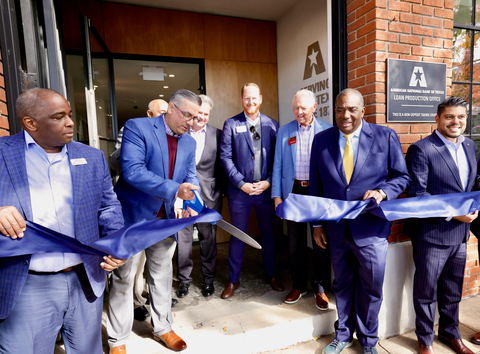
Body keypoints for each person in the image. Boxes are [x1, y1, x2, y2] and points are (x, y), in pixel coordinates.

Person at [0, 88, 125, 354]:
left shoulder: (91, 156)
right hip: (27, 286)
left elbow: (108, 206)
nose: (70, 122)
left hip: (85, 279)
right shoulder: (2, 153)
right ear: (30, 123)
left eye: (69, 114)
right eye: (59, 117)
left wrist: (116, 243)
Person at [309, 88, 410, 354]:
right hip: (336, 229)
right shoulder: (321, 140)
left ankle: (367, 341)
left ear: (363, 110)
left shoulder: (384, 136)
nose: (345, 115)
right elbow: (316, 186)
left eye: (352, 109)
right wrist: (317, 225)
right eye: (340, 109)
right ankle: (342, 335)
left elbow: (402, 176)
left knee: (371, 287)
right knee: (341, 284)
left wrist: (382, 192)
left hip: (372, 229)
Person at [106, 89, 201, 353]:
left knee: (161, 276)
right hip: (133, 218)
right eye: (187, 115)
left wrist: (191, 204)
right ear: (171, 108)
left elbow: (191, 177)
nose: (190, 122)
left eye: (195, 117)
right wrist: (175, 190)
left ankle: (163, 328)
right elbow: (133, 171)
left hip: (165, 220)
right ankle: (118, 340)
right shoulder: (137, 127)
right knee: (124, 278)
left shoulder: (190, 142)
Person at [404, 97, 477, 354]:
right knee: (426, 291)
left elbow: (470, 185)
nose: (455, 122)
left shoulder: (469, 145)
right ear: (438, 119)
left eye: (461, 117)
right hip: (431, 234)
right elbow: (417, 195)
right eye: (449, 117)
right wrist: (458, 214)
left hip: (460, 236)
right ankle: (425, 340)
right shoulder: (422, 149)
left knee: (452, 289)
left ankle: (450, 333)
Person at [109, 98, 175, 322]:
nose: (165, 116)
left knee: (157, 270)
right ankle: (129, 313)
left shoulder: (176, 136)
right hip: (135, 212)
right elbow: (121, 165)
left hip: (162, 214)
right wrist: (129, 151)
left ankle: (158, 319)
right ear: (149, 114)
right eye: (161, 112)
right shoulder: (133, 128)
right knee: (128, 271)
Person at [219, 82, 283, 299]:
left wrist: (269, 182)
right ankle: (233, 280)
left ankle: (272, 274)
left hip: (265, 191)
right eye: (247, 98)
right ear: (241, 99)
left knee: (269, 234)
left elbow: (279, 159)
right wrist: (241, 183)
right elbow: (225, 158)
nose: (251, 102)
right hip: (240, 192)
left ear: (261, 98)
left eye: (254, 97)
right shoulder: (230, 124)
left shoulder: (273, 125)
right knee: (238, 236)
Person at [272, 89, 332, 308]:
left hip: (317, 193)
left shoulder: (328, 131)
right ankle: (298, 285)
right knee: (294, 242)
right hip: (294, 192)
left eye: (303, 108)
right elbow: (277, 164)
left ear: (314, 107)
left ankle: (320, 287)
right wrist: (277, 196)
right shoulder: (285, 131)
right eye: (296, 107)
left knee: (320, 241)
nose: (299, 112)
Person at [176, 94, 224, 298]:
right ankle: (184, 281)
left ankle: (208, 280)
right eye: (199, 113)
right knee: (183, 240)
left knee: (208, 240)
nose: (201, 117)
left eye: (206, 113)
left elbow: (222, 166)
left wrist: (220, 192)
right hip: (183, 196)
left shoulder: (218, 134)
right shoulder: (180, 134)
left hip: (209, 197)